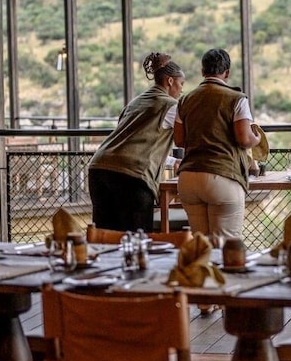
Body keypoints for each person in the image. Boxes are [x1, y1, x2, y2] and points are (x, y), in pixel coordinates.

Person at [88, 52, 185, 232]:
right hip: (131, 176)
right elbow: (187, 138)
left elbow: (133, 143)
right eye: (181, 84)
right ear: (170, 81)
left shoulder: (135, 103)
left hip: (99, 168)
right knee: (136, 238)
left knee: (105, 237)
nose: (181, 90)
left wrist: (172, 161)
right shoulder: (171, 106)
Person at [174, 48, 260, 240]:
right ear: (227, 73)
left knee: (202, 244)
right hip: (222, 176)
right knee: (226, 244)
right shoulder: (236, 99)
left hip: (188, 179)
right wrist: (257, 139)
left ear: (202, 71)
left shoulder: (185, 100)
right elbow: (244, 139)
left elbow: (179, 140)